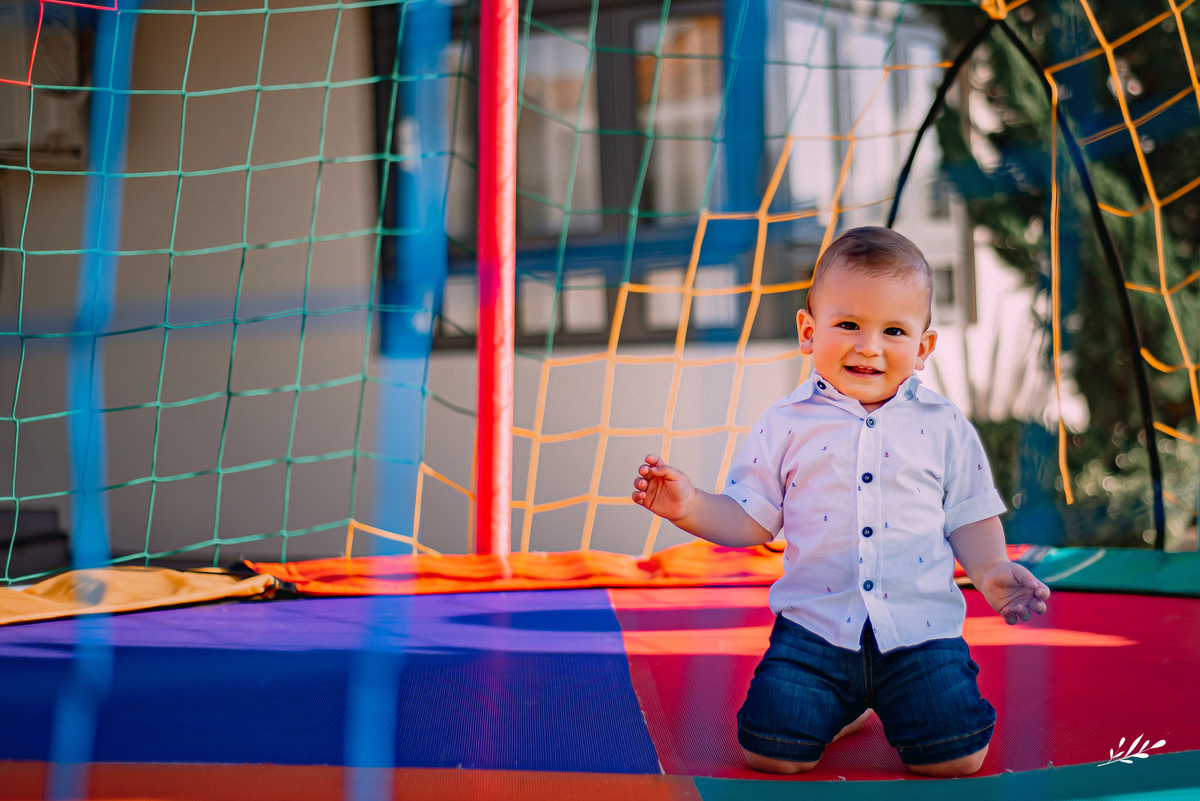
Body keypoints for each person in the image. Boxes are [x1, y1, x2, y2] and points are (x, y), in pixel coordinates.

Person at [631, 226, 1050, 778]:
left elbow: (969, 513)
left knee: (957, 757)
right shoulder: (785, 423)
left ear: (922, 348)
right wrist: (690, 507)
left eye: (893, 330)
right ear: (809, 331)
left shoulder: (944, 425)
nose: (868, 346)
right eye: (848, 324)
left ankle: (892, 698)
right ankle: (844, 703)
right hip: (815, 634)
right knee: (770, 751)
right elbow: (751, 519)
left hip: (919, 633)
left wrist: (992, 569)